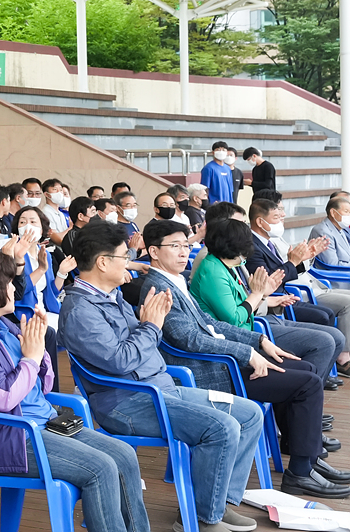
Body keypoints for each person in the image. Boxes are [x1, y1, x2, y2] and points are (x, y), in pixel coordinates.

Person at [58, 221, 265, 532]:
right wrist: (151, 326)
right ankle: (203, 519)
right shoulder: (81, 310)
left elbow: (139, 346)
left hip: (159, 387)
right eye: (122, 257)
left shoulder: (111, 295)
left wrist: (147, 327)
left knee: (249, 415)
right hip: (127, 402)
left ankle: (216, 505)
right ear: (102, 262)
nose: (128, 263)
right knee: (222, 427)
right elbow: (121, 360)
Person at [0, 249, 152, 532]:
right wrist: (30, 356)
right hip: (7, 437)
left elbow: (44, 386)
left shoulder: (3, 325)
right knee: (100, 468)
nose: (14, 289)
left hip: (43, 423)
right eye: (8, 283)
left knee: (123, 454)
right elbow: (3, 398)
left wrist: (38, 350)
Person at [138, 220, 350, 497]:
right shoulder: (157, 287)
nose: (182, 252)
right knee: (306, 383)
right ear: (153, 251)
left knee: (306, 368)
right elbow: (189, 339)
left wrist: (258, 340)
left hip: (223, 360)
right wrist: (247, 353)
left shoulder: (174, 281)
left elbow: (207, 323)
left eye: (185, 245)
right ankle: (300, 471)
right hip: (208, 370)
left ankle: (308, 460)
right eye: (174, 246)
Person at [245, 199, 350, 373]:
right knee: (324, 318)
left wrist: (303, 259)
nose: (282, 219)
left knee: (329, 319)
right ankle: (319, 370)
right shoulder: (252, 246)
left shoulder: (269, 241)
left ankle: (324, 370)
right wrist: (294, 261)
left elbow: (285, 270)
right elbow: (272, 278)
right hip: (274, 301)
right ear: (260, 221)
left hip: (283, 296)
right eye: (277, 216)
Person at [311, 195, 350, 267]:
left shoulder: (340, 228)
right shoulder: (322, 231)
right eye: (346, 211)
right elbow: (333, 265)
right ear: (333, 213)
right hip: (334, 276)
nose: (349, 215)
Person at [202, 142, 235, 207]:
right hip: (215, 205)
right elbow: (205, 188)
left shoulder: (227, 168)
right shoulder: (208, 168)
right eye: (218, 150)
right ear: (213, 152)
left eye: (223, 150)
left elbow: (230, 189)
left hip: (228, 205)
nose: (221, 152)